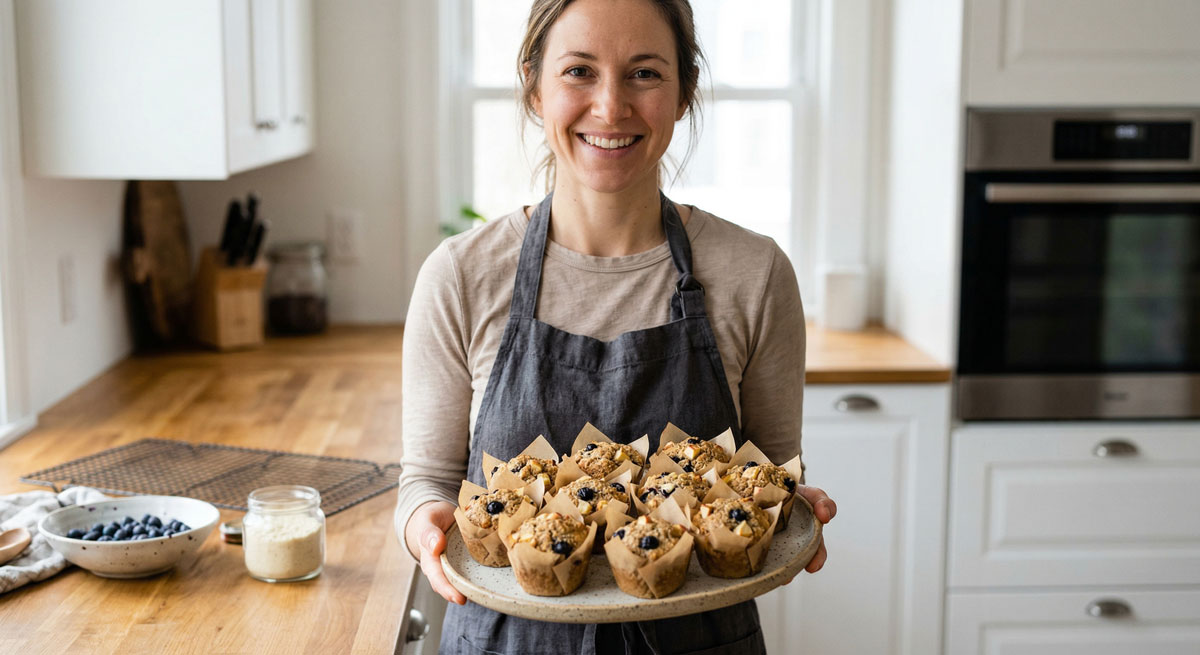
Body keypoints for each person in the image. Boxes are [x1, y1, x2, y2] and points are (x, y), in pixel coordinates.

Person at [395, 0, 837, 652]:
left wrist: (796, 510)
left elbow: (768, 479)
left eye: (645, 74)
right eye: (578, 71)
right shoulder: (460, 276)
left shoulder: (756, 273)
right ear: (533, 87)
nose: (610, 106)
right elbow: (426, 481)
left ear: (685, 90)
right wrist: (423, 525)